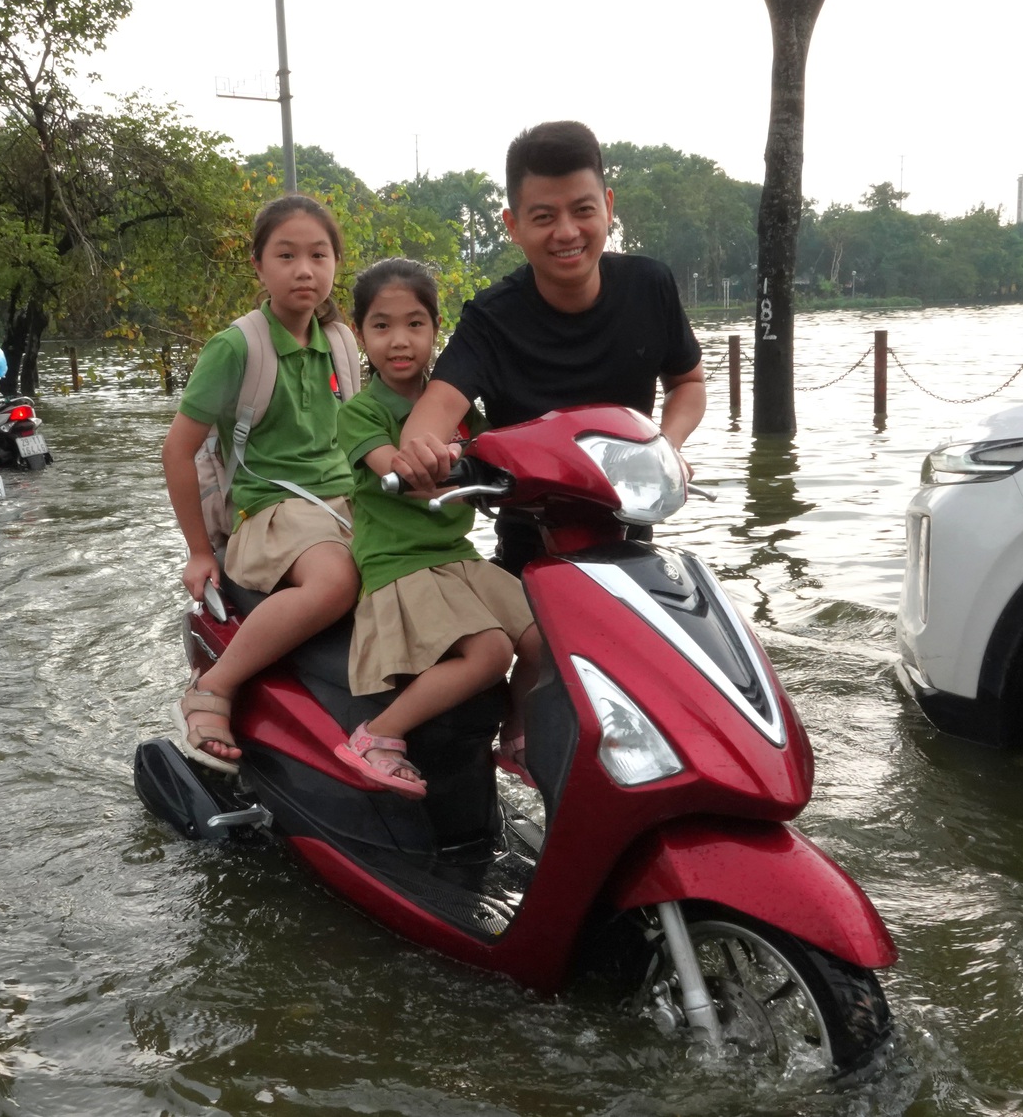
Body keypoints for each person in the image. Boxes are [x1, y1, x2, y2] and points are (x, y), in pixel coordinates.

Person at [391, 121, 706, 575]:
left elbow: (688, 383)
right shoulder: (491, 317)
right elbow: (437, 405)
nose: (567, 232)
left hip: (632, 536)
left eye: (583, 210)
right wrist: (421, 449)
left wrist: (667, 446)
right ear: (513, 226)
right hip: (529, 548)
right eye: (543, 217)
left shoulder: (650, 285)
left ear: (608, 207)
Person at [160, 195, 360, 770]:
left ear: (335, 265)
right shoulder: (235, 348)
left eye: (319, 255)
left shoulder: (341, 344)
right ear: (259, 265)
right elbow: (178, 450)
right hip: (269, 512)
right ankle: (213, 689)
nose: (305, 270)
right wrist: (199, 551)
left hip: (344, 504)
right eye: (287, 255)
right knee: (333, 585)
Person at [335, 259, 545, 796]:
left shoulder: (460, 409)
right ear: (361, 334)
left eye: (415, 324)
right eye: (381, 326)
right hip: (399, 564)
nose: (399, 341)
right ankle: (377, 735)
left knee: (548, 635)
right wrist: (447, 457)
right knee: (493, 651)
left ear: (436, 330)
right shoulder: (358, 414)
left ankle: (516, 729)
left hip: (458, 557)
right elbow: (395, 465)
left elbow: (504, 451)